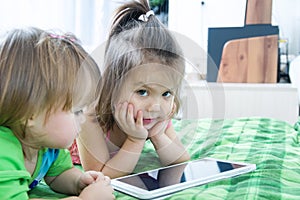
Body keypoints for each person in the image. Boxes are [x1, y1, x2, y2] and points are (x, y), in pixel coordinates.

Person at [76, 0, 190, 179]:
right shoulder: (90, 117)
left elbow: (181, 159)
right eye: (142, 92)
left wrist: (158, 135)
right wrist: (135, 140)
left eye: (166, 93)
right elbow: (101, 175)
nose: (155, 106)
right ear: (112, 86)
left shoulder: (155, 115)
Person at [0, 27, 114, 199]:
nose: (83, 119)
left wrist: (78, 182)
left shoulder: (46, 144)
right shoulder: (4, 154)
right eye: (76, 111)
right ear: (31, 114)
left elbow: (58, 174)